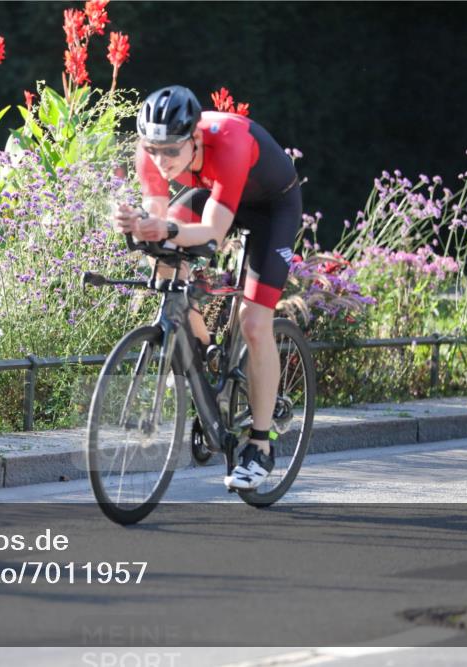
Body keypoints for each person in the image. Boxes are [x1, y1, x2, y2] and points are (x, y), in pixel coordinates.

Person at [113, 85, 302, 490]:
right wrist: (139, 225)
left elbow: (213, 232)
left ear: (195, 139)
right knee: (162, 258)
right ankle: (199, 348)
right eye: (153, 149)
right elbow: (159, 218)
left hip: (272, 206)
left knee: (254, 323)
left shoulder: (229, 142)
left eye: (171, 151)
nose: (161, 161)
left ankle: (260, 446)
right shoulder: (152, 154)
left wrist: (164, 227)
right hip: (214, 191)